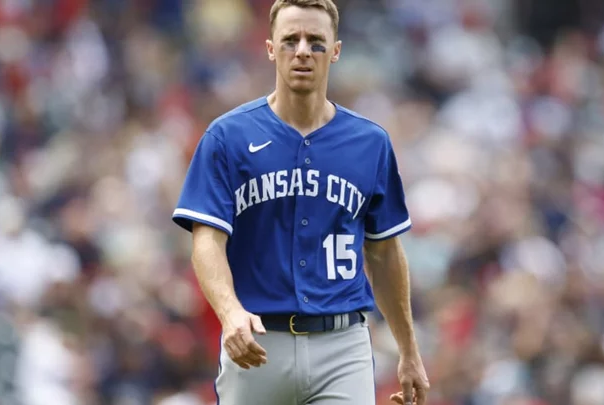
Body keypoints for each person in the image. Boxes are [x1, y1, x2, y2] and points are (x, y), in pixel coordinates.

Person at [172, 0, 430, 404]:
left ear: (337, 50)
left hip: (342, 345)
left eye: (316, 41)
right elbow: (206, 241)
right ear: (271, 48)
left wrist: (409, 352)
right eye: (290, 40)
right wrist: (230, 313)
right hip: (258, 343)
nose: (303, 51)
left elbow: (384, 252)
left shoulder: (370, 143)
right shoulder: (227, 137)